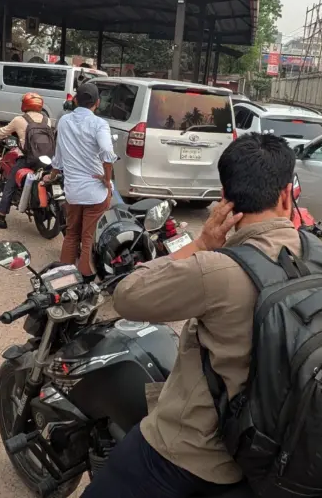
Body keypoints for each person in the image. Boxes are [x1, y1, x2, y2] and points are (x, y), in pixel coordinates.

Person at [82, 134, 304, 498]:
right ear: (286, 195)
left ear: (225, 200)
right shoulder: (319, 259)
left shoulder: (217, 269)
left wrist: (200, 243)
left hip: (201, 454)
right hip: (284, 442)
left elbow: (126, 295)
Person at [49, 82, 116, 277]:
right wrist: (107, 179)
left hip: (73, 191)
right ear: (97, 102)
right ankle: (85, 282)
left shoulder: (64, 121)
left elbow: (58, 157)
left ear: (76, 100)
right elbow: (106, 152)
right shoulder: (99, 124)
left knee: (71, 235)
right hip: (95, 193)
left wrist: (51, 175)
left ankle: (63, 278)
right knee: (88, 239)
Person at [0, 92, 50, 229]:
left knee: (10, 185)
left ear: (25, 104)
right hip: (46, 159)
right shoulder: (46, 119)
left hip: (28, 159)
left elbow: (3, 132)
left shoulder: (19, 120)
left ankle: (1, 218)